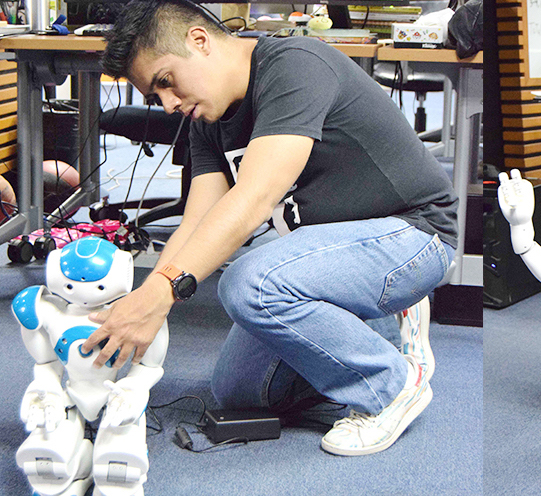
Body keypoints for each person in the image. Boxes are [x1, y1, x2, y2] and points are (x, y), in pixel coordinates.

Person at [81, 0, 458, 456]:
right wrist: (148, 300)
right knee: (240, 392)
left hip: (413, 236)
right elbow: (196, 222)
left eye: (166, 81)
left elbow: (254, 199)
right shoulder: (209, 119)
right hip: (329, 257)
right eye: (155, 96)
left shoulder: (295, 65)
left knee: (250, 282)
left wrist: (161, 294)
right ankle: (372, 330)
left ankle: (392, 385)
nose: (168, 104)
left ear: (199, 40)